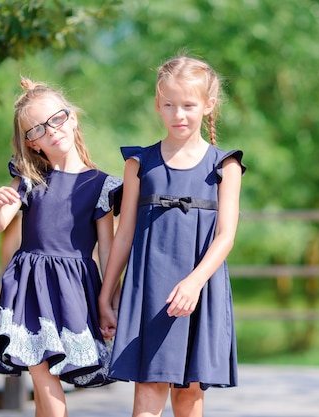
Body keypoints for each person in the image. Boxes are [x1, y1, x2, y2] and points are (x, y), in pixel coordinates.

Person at [98, 55, 246, 417]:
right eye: (169, 105)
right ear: (157, 106)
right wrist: (107, 293)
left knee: (189, 395)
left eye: (188, 105)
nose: (178, 114)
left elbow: (226, 236)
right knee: (148, 391)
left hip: (199, 291)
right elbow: (123, 235)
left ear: (209, 105)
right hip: (147, 290)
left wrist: (194, 283)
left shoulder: (225, 166)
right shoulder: (138, 164)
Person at [0, 78, 122, 417]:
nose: (50, 131)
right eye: (37, 130)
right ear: (31, 144)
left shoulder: (100, 185)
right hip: (30, 288)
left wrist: (107, 300)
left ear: (71, 118)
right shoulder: (29, 178)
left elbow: (108, 250)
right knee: (43, 375)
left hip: (74, 291)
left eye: (55, 120)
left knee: (47, 378)